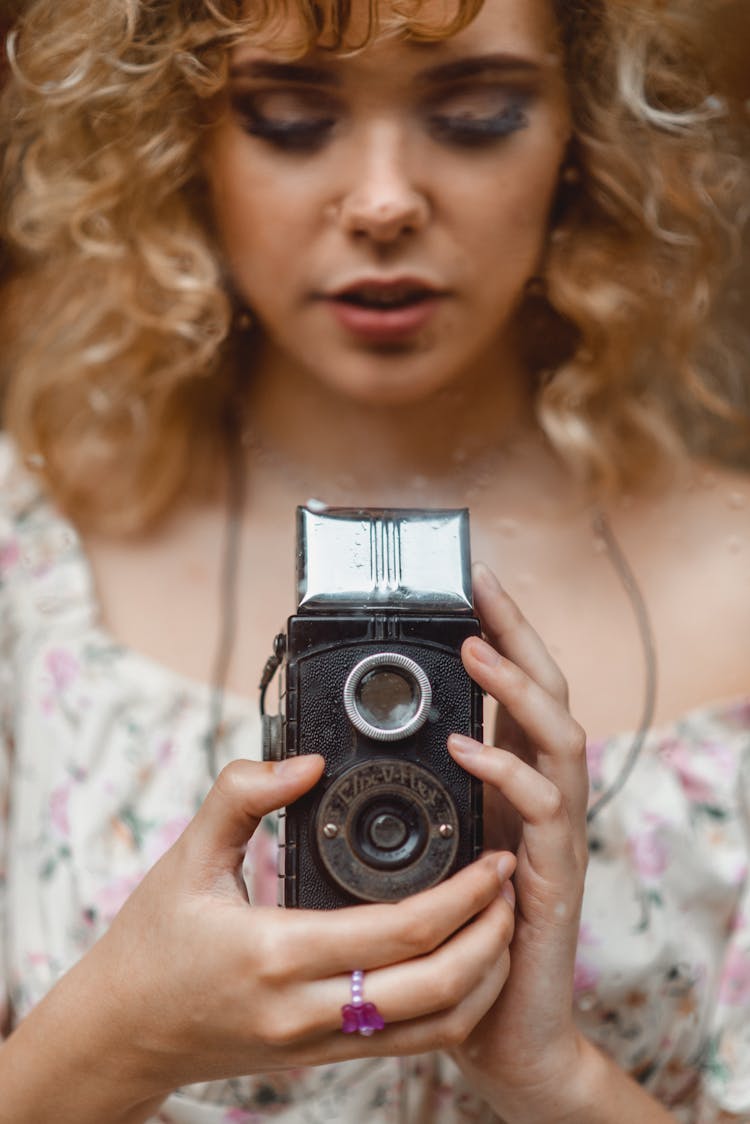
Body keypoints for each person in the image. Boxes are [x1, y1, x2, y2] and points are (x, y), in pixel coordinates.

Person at [0, 0, 748, 1121]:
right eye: (293, 119)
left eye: (478, 114)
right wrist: (116, 1036)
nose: (386, 200)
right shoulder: (30, 546)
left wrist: (555, 1078)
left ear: (584, 131)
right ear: (176, 134)